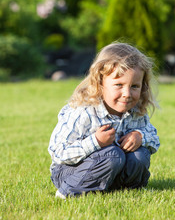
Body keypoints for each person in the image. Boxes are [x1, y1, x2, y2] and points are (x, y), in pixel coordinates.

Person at [48, 42, 160, 199]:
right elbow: (57, 152)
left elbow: (154, 139)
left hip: (111, 169)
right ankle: (69, 191)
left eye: (134, 86)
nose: (127, 93)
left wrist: (140, 137)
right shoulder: (84, 112)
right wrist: (95, 142)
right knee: (113, 155)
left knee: (140, 155)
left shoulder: (136, 111)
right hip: (70, 172)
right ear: (100, 82)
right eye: (118, 85)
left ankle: (127, 190)